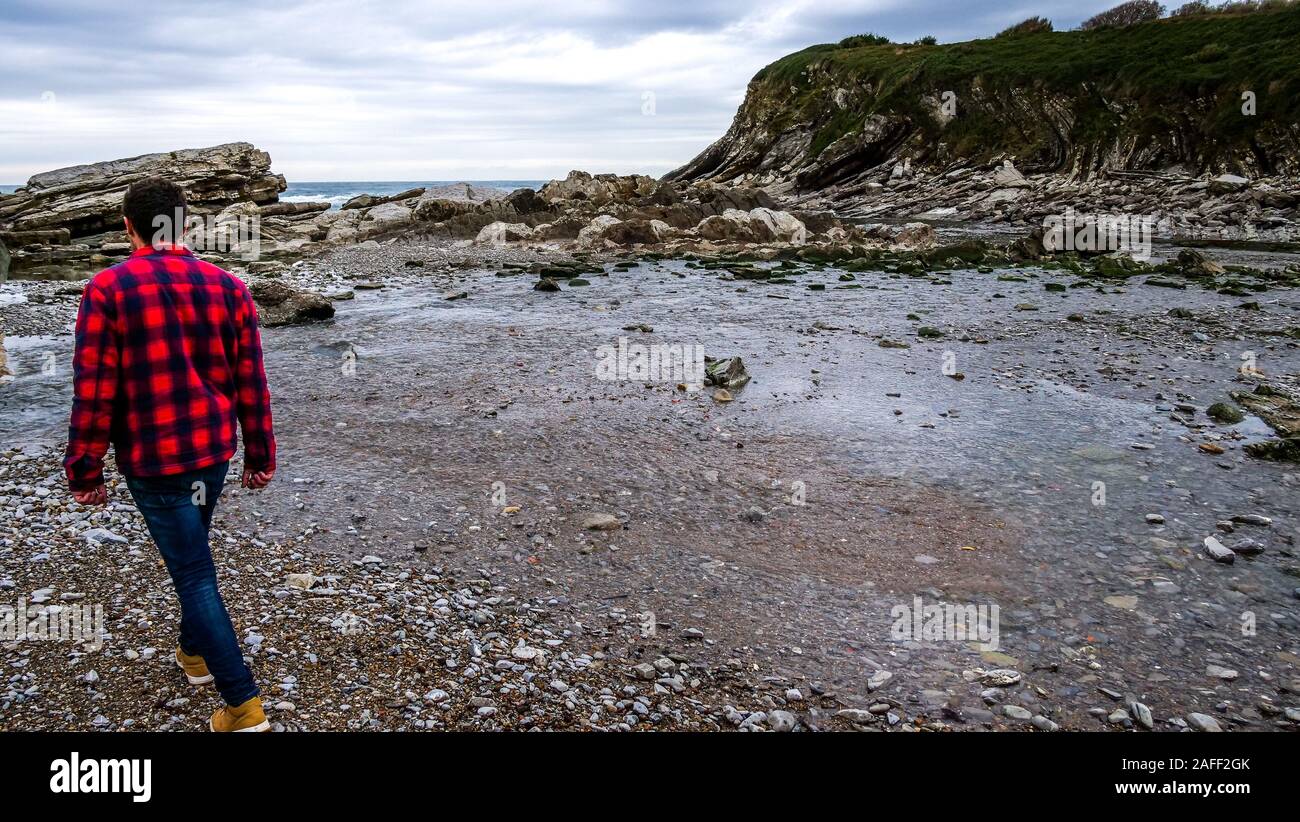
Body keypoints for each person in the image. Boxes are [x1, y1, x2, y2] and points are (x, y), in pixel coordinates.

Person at [64, 176, 276, 732]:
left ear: (128, 225)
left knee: (192, 570)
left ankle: (244, 707)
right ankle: (195, 656)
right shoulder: (228, 287)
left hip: (154, 459)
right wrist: (259, 453)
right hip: (211, 453)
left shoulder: (109, 289)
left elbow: (94, 389)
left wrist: (84, 469)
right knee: (193, 556)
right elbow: (251, 380)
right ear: (184, 223)